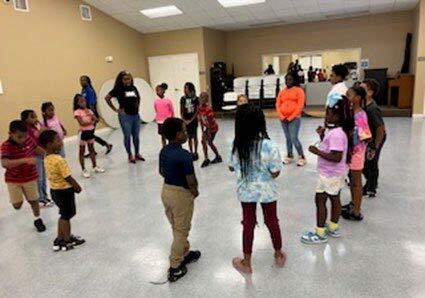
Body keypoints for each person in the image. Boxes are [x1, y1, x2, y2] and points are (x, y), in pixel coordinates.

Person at [228, 106, 286, 274]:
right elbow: (275, 172)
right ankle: (278, 253)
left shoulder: (237, 145)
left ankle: (247, 262)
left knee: (248, 224)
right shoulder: (269, 145)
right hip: (267, 191)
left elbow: (231, 167)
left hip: (246, 191)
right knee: (272, 221)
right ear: (262, 122)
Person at [301, 97, 352, 244]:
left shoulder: (336, 134)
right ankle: (333, 227)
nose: (326, 116)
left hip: (329, 174)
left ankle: (320, 233)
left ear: (337, 116)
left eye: (329, 114)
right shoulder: (337, 131)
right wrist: (322, 136)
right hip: (336, 174)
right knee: (335, 199)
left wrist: (317, 152)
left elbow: (336, 156)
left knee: (320, 200)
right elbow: (333, 148)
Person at [159, 117, 201, 282]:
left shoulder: (164, 151)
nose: (186, 133)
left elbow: (162, 172)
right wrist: (195, 191)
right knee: (181, 229)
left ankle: (185, 253)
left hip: (166, 191)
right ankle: (175, 266)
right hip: (180, 195)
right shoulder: (185, 156)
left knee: (176, 225)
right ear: (177, 135)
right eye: (184, 130)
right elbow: (191, 180)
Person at [39, 130, 85, 251]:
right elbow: (67, 177)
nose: (61, 142)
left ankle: (60, 237)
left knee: (63, 215)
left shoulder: (47, 157)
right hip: (65, 191)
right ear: (49, 144)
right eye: (58, 140)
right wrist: (76, 186)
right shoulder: (59, 160)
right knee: (67, 216)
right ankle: (67, 240)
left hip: (55, 191)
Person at [1, 120, 46, 232]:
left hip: (30, 176)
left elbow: (37, 149)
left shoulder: (29, 140)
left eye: (25, 136)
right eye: (19, 137)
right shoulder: (6, 146)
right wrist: (25, 160)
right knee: (17, 205)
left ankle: (38, 219)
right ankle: (20, 197)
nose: (23, 139)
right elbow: (4, 163)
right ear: (10, 134)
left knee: (34, 200)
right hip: (14, 180)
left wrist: (49, 155)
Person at [342, 86, 371, 221]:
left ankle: (357, 211)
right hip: (349, 151)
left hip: (357, 152)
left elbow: (365, 136)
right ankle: (353, 204)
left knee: (356, 181)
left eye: (349, 95)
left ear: (358, 98)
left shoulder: (360, 114)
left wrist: (352, 134)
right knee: (352, 180)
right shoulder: (350, 111)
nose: (347, 97)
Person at [105, 71, 145, 164]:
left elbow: (138, 97)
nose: (128, 81)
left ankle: (137, 153)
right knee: (127, 136)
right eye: (125, 79)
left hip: (135, 115)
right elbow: (107, 98)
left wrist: (138, 105)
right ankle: (129, 154)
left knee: (136, 136)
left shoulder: (133, 88)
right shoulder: (118, 89)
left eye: (129, 78)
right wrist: (115, 109)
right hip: (125, 116)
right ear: (121, 80)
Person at [21, 110, 53, 207]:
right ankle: (40, 199)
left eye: (36, 116)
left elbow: (44, 132)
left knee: (43, 177)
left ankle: (44, 196)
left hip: (41, 154)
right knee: (39, 178)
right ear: (26, 119)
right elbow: (33, 142)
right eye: (32, 117)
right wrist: (40, 131)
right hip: (34, 155)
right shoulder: (26, 130)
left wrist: (41, 128)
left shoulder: (35, 126)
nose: (36, 119)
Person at [361, 79, 386, 198]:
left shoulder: (372, 109)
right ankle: (370, 182)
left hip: (376, 138)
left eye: (362, 89)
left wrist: (375, 145)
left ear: (370, 92)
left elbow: (380, 128)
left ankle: (371, 187)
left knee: (372, 162)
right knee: (365, 162)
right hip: (368, 137)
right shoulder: (363, 104)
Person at [276, 72, 306, 166]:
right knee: (287, 138)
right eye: (286, 79)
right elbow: (278, 104)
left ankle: (301, 156)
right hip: (283, 119)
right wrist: (281, 116)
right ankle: (289, 155)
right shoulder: (282, 91)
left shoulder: (299, 90)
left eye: (290, 79)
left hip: (294, 118)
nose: (287, 81)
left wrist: (290, 117)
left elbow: (300, 106)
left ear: (294, 80)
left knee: (294, 138)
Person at [73, 94, 105, 178]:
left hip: (90, 131)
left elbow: (96, 119)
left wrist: (90, 114)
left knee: (92, 149)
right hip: (83, 133)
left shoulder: (89, 110)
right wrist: (92, 122)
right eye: (81, 102)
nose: (83, 103)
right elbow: (82, 123)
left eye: (84, 101)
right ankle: (84, 169)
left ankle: (94, 166)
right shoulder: (77, 112)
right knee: (82, 151)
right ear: (77, 103)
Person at [80, 75, 113, 156]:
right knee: (89, 134)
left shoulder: (89, 90)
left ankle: (107, 145)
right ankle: (93, 151)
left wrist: (93, 117)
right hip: (85, 116)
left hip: (91, 115)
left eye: (84, 80)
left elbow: (91, 105)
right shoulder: (83, 91)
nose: (82, 82)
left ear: (88, 81)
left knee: (89, 134)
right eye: (80, 80)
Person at [198, 92, 222, 168]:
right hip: (207, 127)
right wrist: (202, 131)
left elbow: (210, 122)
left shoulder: (208, 109)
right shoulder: (200, 107)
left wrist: (208, 132)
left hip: (213, 128)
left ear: (207, 99)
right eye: (200, 97)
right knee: (205, 142)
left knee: (209, 142)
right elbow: (201, 120)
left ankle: (213, 158)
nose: (201, 99)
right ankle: (211, 157)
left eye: (203, 97)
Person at [180, 82, 200, 161]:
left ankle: (195, 152)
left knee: (195, 136)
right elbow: (181, 110)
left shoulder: (195, 98)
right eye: (184, 88)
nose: (185, 90)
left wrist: (191, 120)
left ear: (190, 89)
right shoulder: (183, 98)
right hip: (186, 120)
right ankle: (190, 152)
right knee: (189, 137)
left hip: (193, 120)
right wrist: (184, 120)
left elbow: (197, 110)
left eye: (186, 88)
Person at [154, 83, 175, 147]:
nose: (159, 91)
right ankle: (164, 146)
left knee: (169, 134)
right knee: (162, 135)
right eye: (158, 90)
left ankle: (170, 146)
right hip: (160, 121)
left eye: (161, 90)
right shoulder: (156, 101)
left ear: (164, 90)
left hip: (168, 120)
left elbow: (172, 110)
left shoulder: (168, 100)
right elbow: (156, 110)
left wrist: (172, 118)